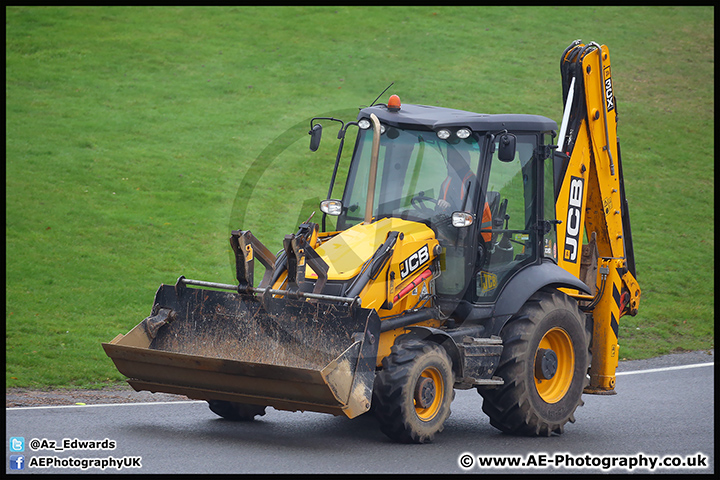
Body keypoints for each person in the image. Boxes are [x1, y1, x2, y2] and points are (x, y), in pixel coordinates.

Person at [436, 146, 492, 242]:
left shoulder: (474, 182)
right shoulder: (447, 182)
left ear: (465, 161)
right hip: (453, 229)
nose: (451, 164)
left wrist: (450, 205)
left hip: (478, 237)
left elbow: (469, 212)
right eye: (450, 160)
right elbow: (438, 210)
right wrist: (439, 204)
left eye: (455, 160)